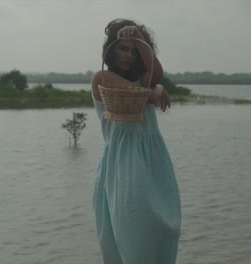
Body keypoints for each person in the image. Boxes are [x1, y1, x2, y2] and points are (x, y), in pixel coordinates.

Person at [91, 18, 181, 264]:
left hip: (154, 158)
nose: (128, 55)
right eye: (122, 48)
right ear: (111, 49)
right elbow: (147, 95)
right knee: (131, 230)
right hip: (122, 164)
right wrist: (158, 92)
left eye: (133, 50)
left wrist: (139, 37)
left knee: (164, 227)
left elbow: (157, 74)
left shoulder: (145, 77)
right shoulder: (102, 78)